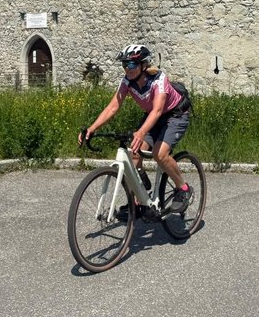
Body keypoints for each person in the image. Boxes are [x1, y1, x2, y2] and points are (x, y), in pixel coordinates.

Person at [78, 44, 193, 213]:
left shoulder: (159, 79)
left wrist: (141, 132)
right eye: (124, 65)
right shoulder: (127, 82)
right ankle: (141, 199)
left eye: (131, 65)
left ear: (143, 65)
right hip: (153, 115)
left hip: (175, 115)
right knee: (134, 152)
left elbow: (158, 110)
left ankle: (183, 189)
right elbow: (113, 107)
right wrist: (92, 128)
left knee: (159, 154)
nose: (127, 69)